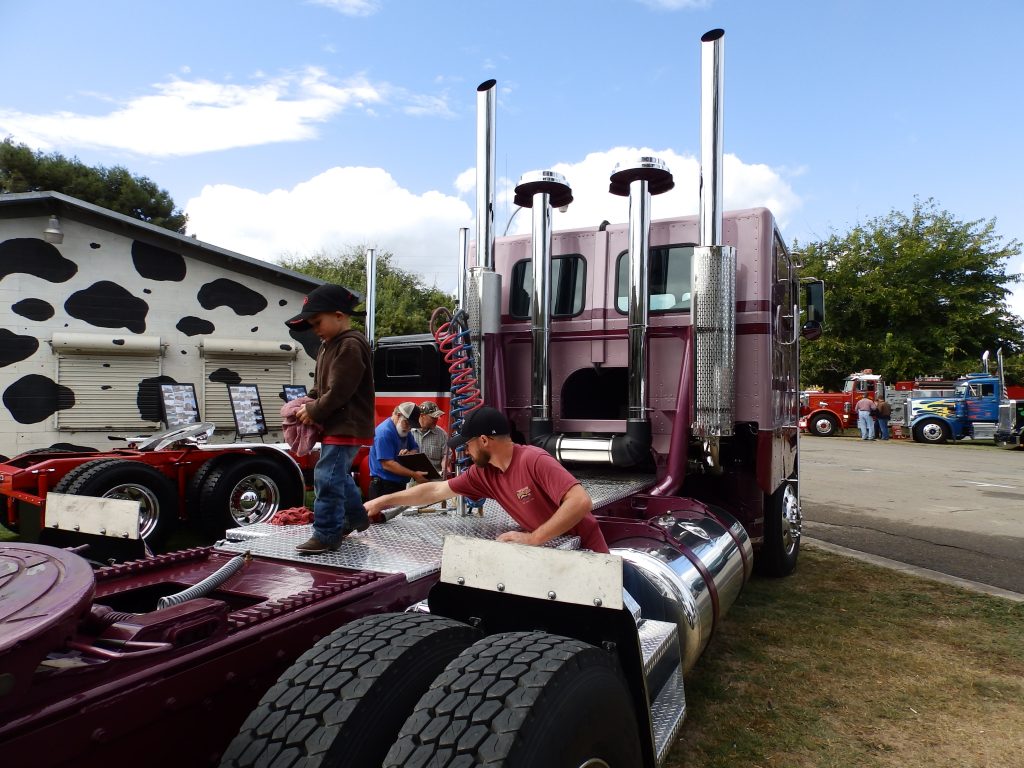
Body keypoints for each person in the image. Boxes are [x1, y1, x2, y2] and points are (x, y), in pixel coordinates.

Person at [363, 406, 609, 553]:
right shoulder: (484, 474)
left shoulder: (533, 460)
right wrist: (382, 501)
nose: (465, 452)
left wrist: (534, 538)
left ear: (483, 441)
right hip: (554, 551)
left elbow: (580, 501)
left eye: (467, 445)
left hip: (585, 550)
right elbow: (435, 492)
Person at [286, 284, 374, 554]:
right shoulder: (328, 346)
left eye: (317, 322)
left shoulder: (349, 344)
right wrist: (307, 400)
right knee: (337, 475)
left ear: (339, 315)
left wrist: (313, 411)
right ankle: (355, 517)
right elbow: (322, 388)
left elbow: (339, 391)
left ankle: (327, 533)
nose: (315, 329)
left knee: (326, 476)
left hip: (347, 424)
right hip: (337, 423)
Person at [368, 402, 429, 498]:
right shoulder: (384, 433)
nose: (409, 428)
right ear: (398, 415)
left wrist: (410, 454)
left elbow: (415, 448)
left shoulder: (404, 430)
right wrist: (415, 475)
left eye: (411, 425)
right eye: (407, 423)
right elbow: (388, 464)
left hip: (398, 484)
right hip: (384, 486)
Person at [412, 400, 448, 477]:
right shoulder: (409, 432)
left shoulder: (442, 434)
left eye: (437, 417)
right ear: (422, 415)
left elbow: (446, 455)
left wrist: (444, 468)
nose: (436, 419)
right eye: (433, 417)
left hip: (434, 478)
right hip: (413, 477)